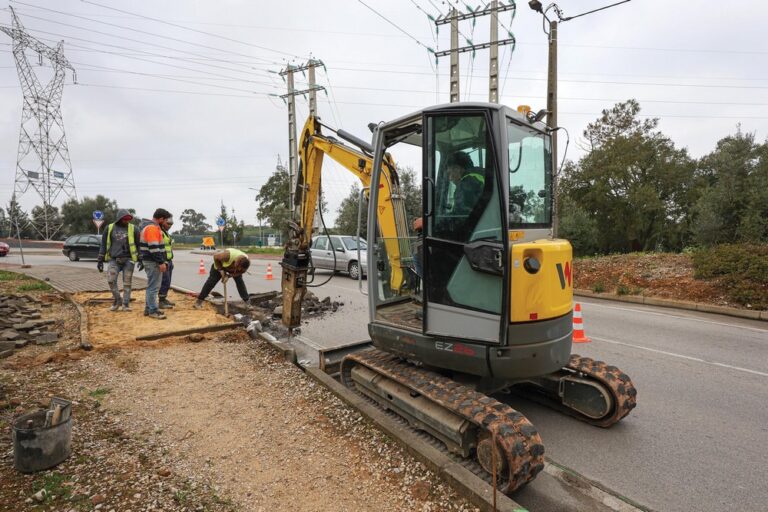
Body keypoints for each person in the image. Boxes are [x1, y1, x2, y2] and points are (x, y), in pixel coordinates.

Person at [97, 209, 142, 312]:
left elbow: (138, 245)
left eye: (128, 219)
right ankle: (118, 300)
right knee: (111, 280)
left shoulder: (134, 229)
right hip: (114, 259)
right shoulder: (109, 228)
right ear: (119, 219)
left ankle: (125, 304)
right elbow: (103, 244)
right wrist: (100, 259)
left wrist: (141, 259)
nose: (127, 221)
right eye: (125, 219)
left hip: (129, 260)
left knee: (127, 283)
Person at [139, 208, 172, 320]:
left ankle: (148, 309)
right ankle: (153, 310)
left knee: (151, 286)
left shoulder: (151, 227)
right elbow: (154, 248)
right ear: (161, 218)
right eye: (165, 220)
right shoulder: (152, 228)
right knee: (154, 287)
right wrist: (161, 262)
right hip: (153, 262)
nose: (166, 222)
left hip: (151, 261)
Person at [158, 215, 175, 309]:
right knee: (165, 281)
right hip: (163, 261)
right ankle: (161, 301)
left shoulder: (166, 233)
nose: (170, 225)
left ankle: (164, 299)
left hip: (168, 260)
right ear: (162, 221)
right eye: (168, 223)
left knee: (168, 282)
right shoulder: (159, 232)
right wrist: (162, 261)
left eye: (171, 224)